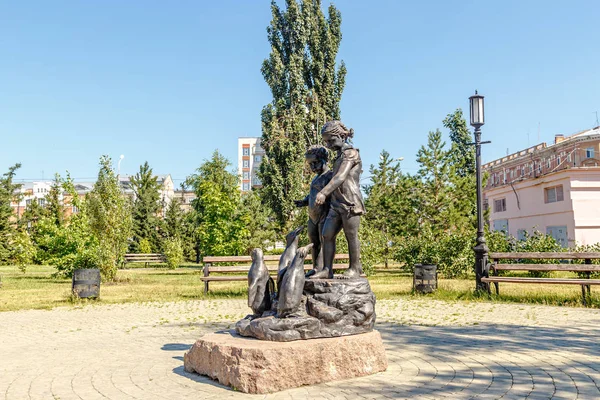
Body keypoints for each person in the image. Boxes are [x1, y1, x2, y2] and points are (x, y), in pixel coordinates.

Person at [310, 121, 365, 279]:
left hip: (350, 202)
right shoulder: (339, 157)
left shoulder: (351, 154)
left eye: (331, 140)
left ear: (342, 136)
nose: (328, 145)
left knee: (351, 235)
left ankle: (355, 268)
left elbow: (340, 177)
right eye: (326, 141)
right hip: (336, 203)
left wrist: (323, 193)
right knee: (327, 235)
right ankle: (327, 269)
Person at [294, 145, 333, 276]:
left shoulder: (330, 176)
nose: (312, 167)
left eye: (315, 163)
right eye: (310, 164)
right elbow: (313, 194)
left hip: (325, 215)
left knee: (324, 241)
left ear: (325, 160)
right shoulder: (316, 178)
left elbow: (330, 193)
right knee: (313, 242)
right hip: (312, 216)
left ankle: (325, 269)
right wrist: (304, 201)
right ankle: (316, 267)